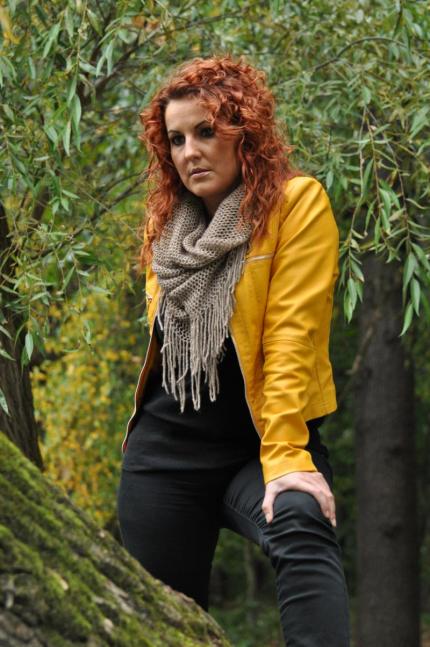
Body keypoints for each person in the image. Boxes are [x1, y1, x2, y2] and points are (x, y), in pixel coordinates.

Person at [116, 54, 351, 646]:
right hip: (166, 455)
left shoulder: (295, 205)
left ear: (244, 132)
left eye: (205, 131)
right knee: (162, 625)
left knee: (301, 519)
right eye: (176, 139)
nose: (189, 151)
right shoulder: (166, 231)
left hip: (263, 444)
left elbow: (291, 336)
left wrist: (287, 456)